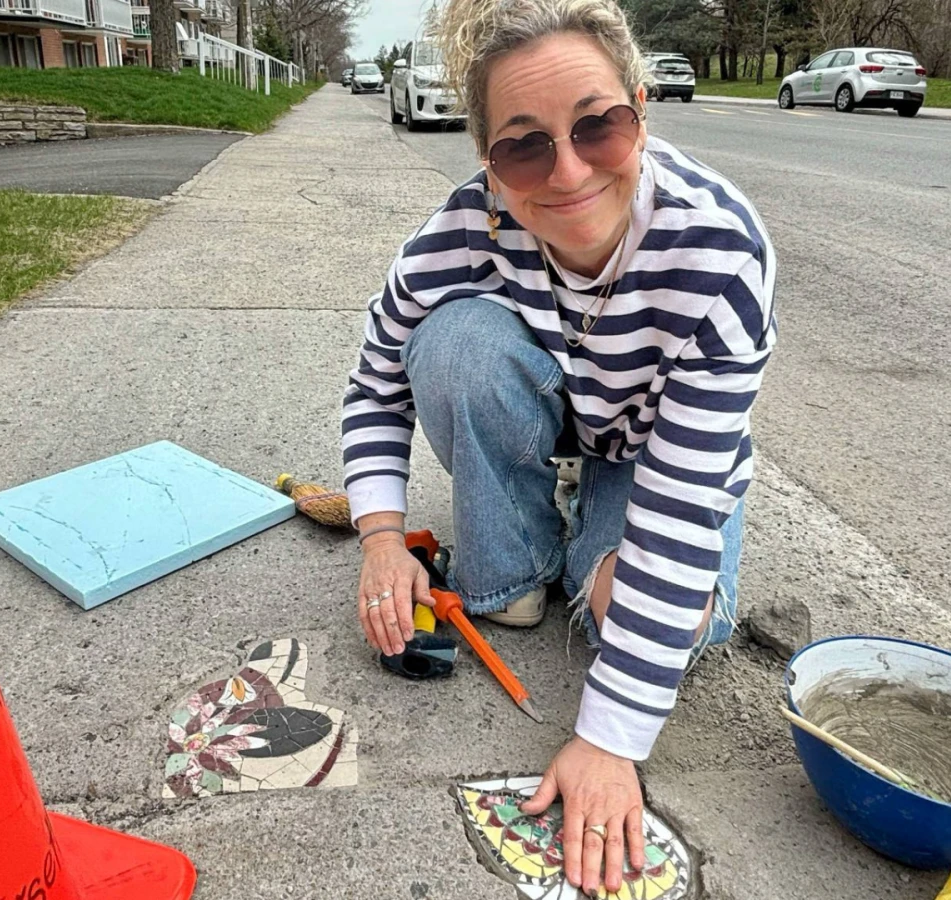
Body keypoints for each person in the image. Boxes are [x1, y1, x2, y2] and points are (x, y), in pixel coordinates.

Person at [341, 0, 776, 893]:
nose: (568, 170)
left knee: (641, 611)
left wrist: (608, 741)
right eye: (524, 144)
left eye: (598, 127)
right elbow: (377, 384)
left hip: (657, 451)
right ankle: (513, 577)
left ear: (641, 112)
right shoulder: (455, 234)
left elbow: (684, 505)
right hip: (553, 403)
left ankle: (586, 547)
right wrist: (382, 537)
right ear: (490, 167)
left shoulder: (721, 256)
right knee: (454, 343)